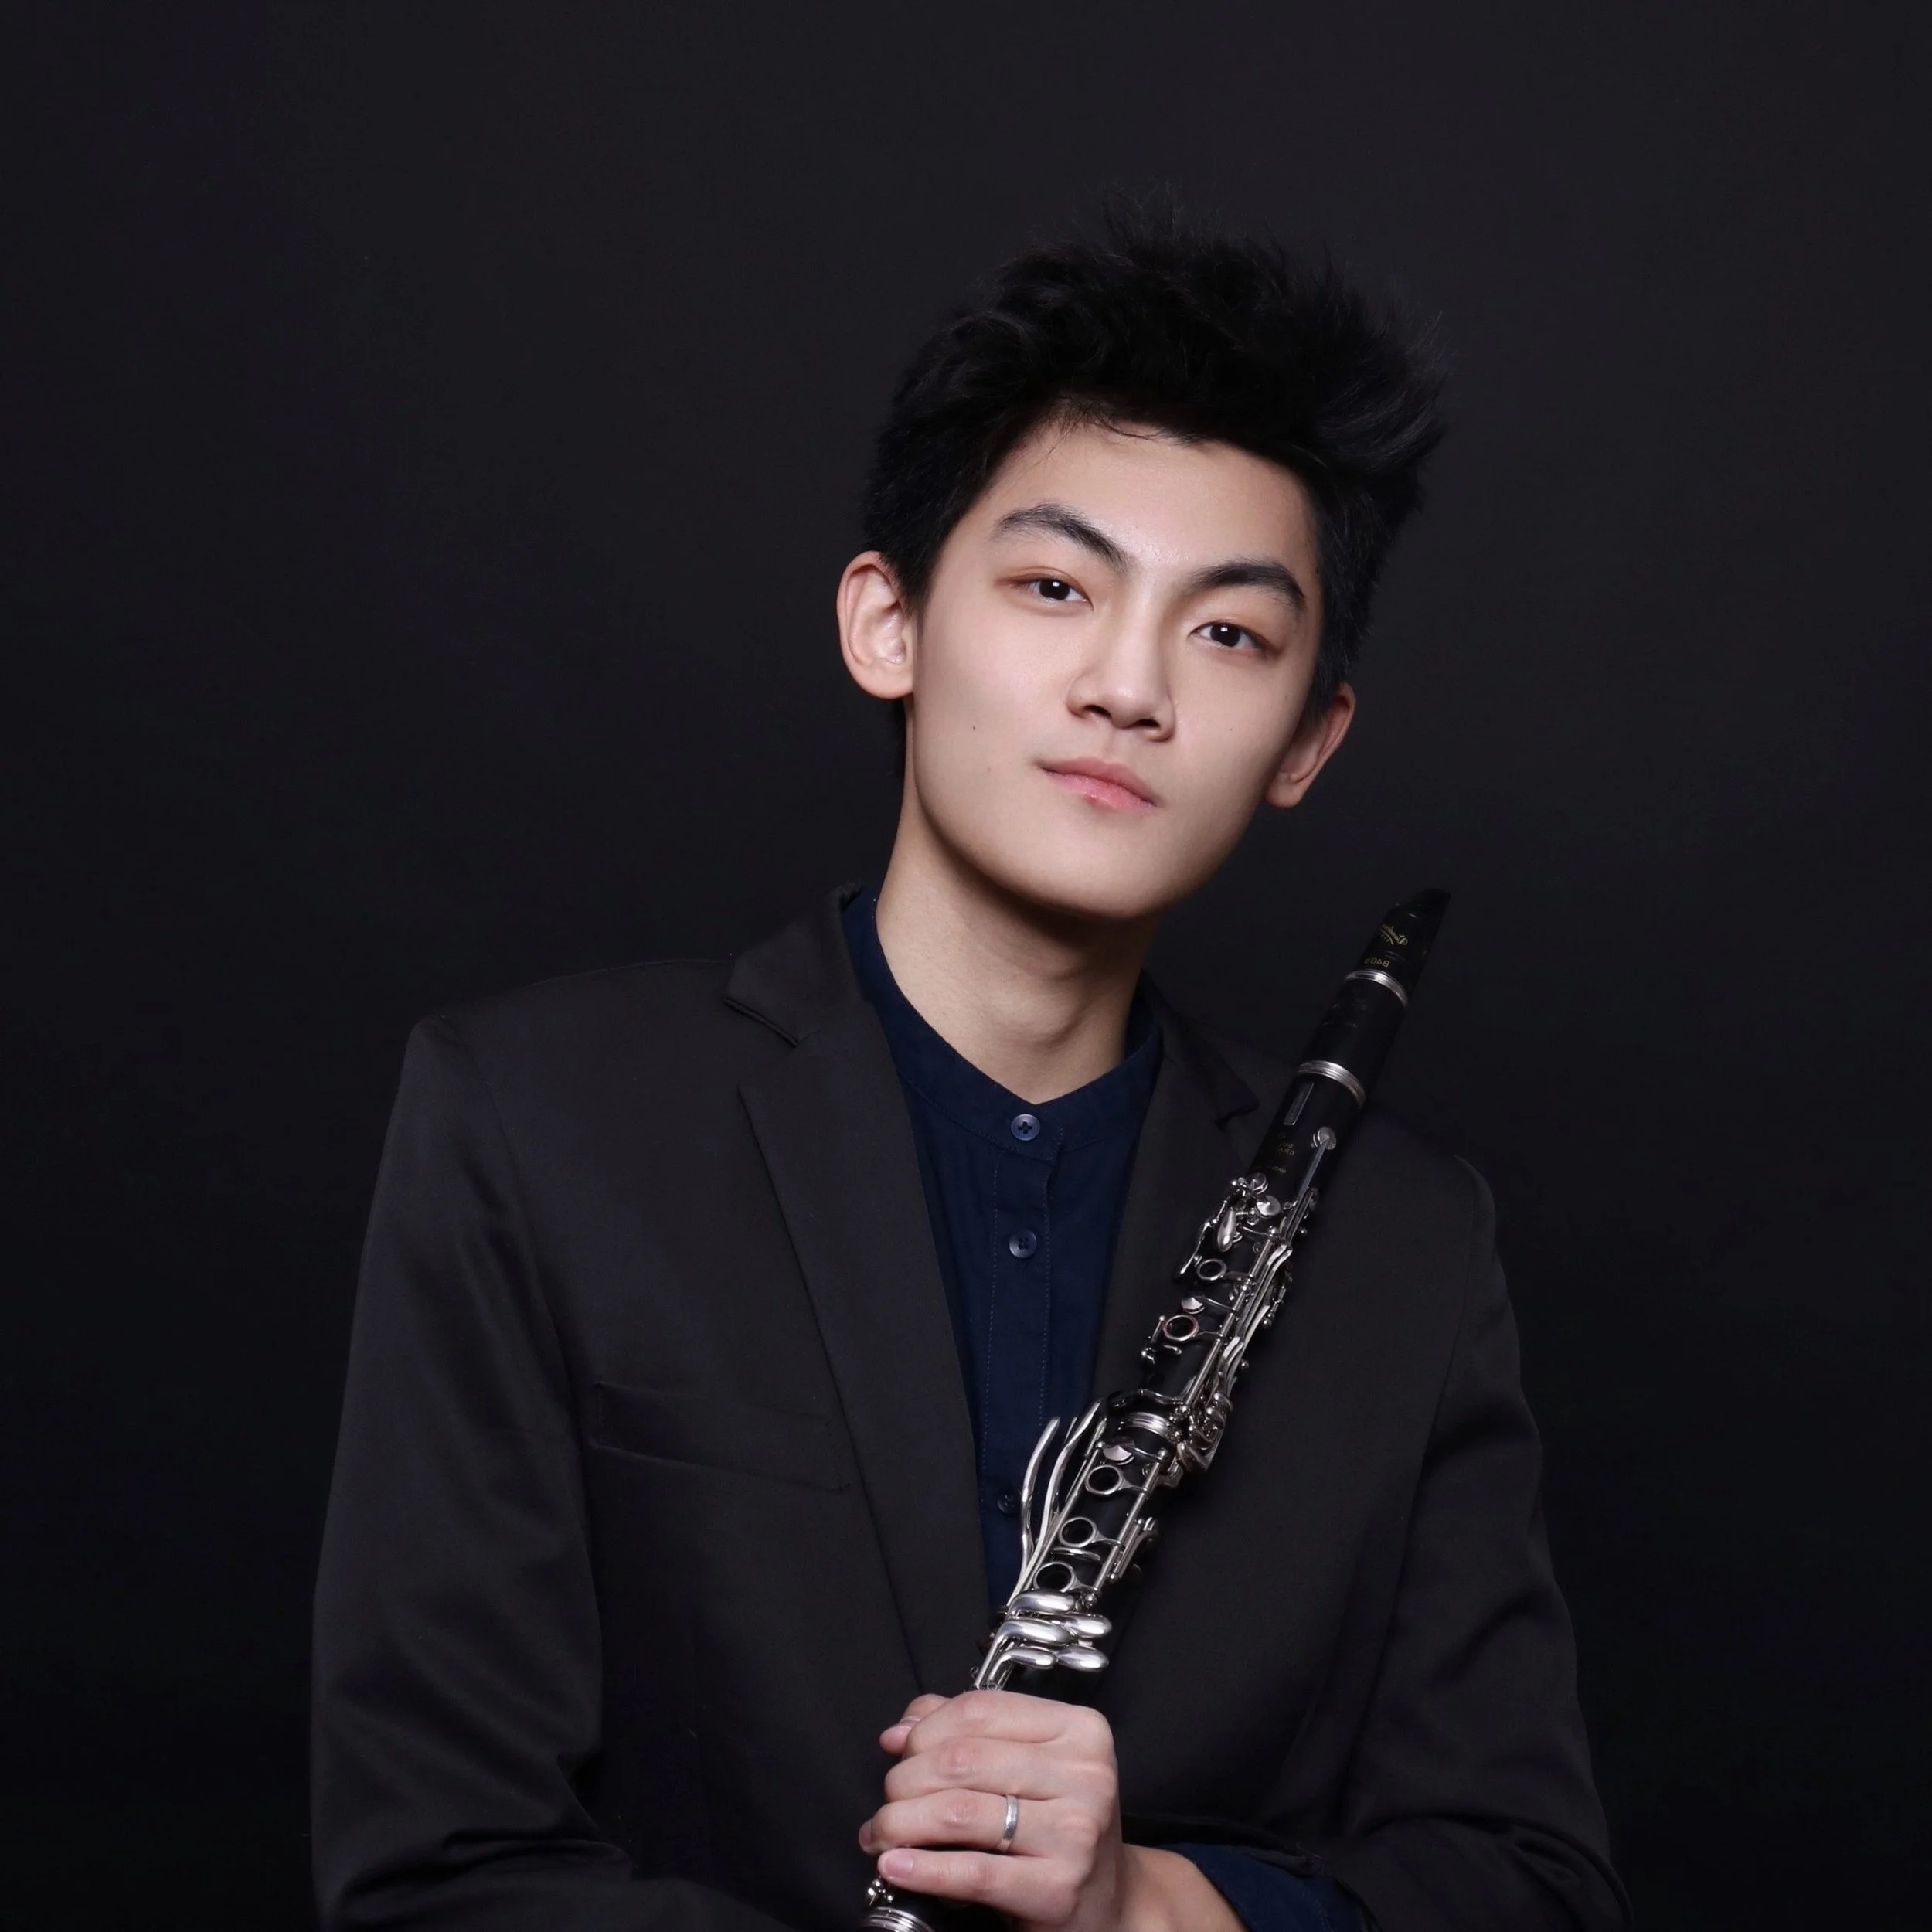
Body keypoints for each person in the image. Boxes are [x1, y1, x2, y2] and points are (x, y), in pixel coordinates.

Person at [312, 209, 1628, 1932]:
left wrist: (1150, 1907)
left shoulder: (1410, 1243)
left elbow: (1528, 1886)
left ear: (1307, 740)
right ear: (889, 622)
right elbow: (433, 1872)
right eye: (1055, 587)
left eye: (1230, 634)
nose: (1127, 688)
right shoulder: (536, 1124)